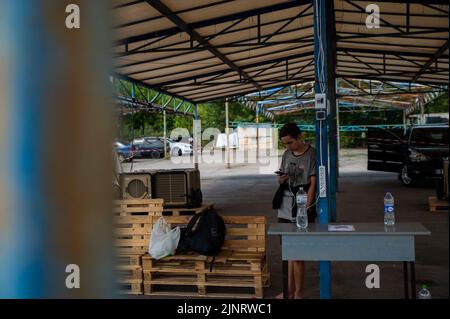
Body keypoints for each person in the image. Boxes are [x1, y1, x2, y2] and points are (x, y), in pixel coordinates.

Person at [276, 123, 317, 299]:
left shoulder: (312, 154)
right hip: (285, 206)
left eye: (290, 142)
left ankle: (298, 293)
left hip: (302, 204)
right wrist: (281, 178)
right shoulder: (286, 154)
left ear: (299, 137)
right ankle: (288, 291)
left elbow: (313, 183)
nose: (288, 147)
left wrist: (305, 209)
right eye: (284, 143)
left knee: (298, 254)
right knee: (288, 252)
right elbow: (280, 181)